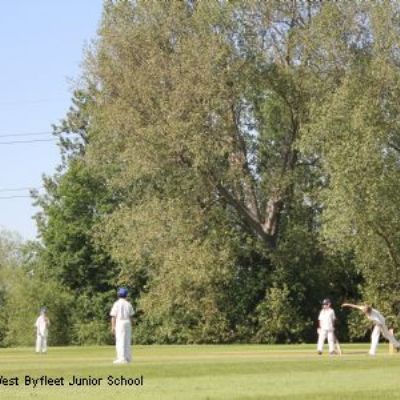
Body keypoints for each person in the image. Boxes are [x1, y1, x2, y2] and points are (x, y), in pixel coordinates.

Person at [110, 287, 134, 364]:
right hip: (127, 322)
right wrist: (132, 325)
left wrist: (113, 327)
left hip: (119, 322)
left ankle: (121, 358)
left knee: (120, 340)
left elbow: (113, 316)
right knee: (127, 340)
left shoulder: (116, 304)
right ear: (126, 295)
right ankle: (128, 358)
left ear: (118, 295)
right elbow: (131, 316)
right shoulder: (128, 304)